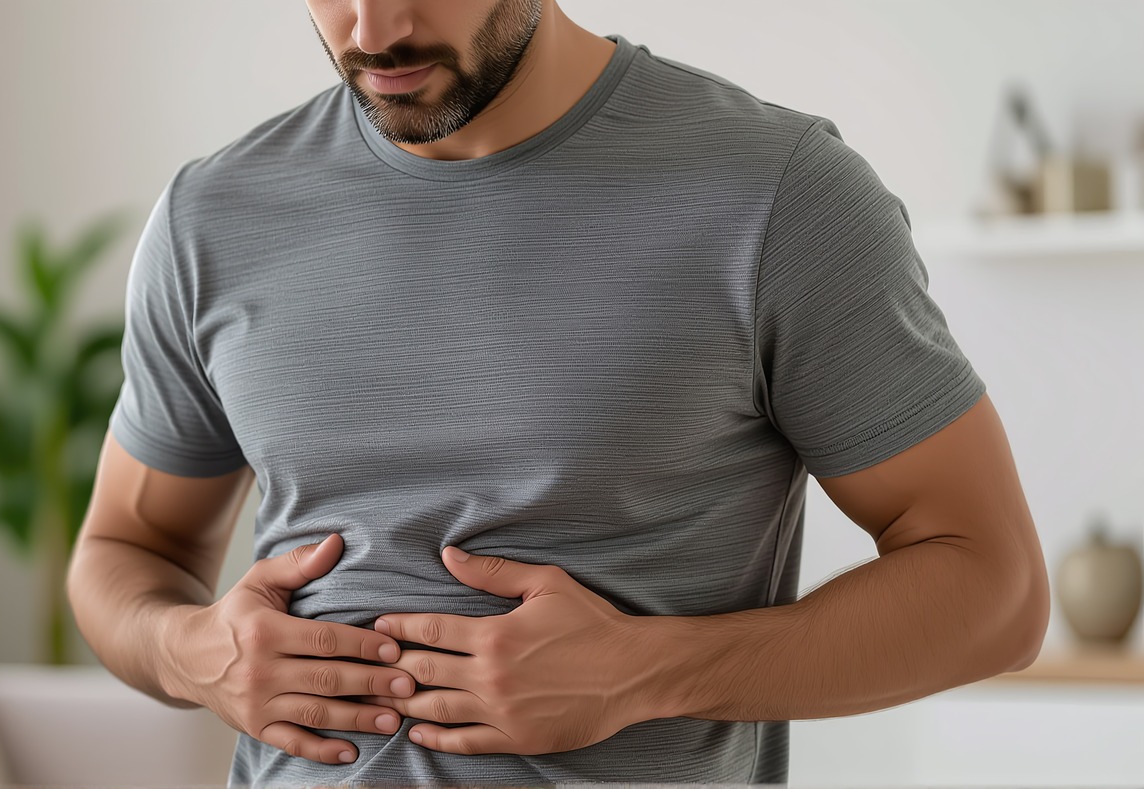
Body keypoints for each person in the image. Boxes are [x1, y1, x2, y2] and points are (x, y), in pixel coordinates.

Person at [66, 1, 1051, 786]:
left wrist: (641, 673)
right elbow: (125, 550)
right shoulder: (214, 216)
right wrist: (194, 650)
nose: (374, 30)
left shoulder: (778, 194)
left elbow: (995, 591)